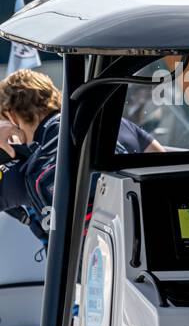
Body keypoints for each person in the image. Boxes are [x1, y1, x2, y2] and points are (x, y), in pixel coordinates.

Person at [0, 68, 163, 241]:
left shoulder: (25, 170)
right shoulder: (111, 124)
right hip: (151, 237)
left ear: (12, 117)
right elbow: (164, 164)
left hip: (95, 261)